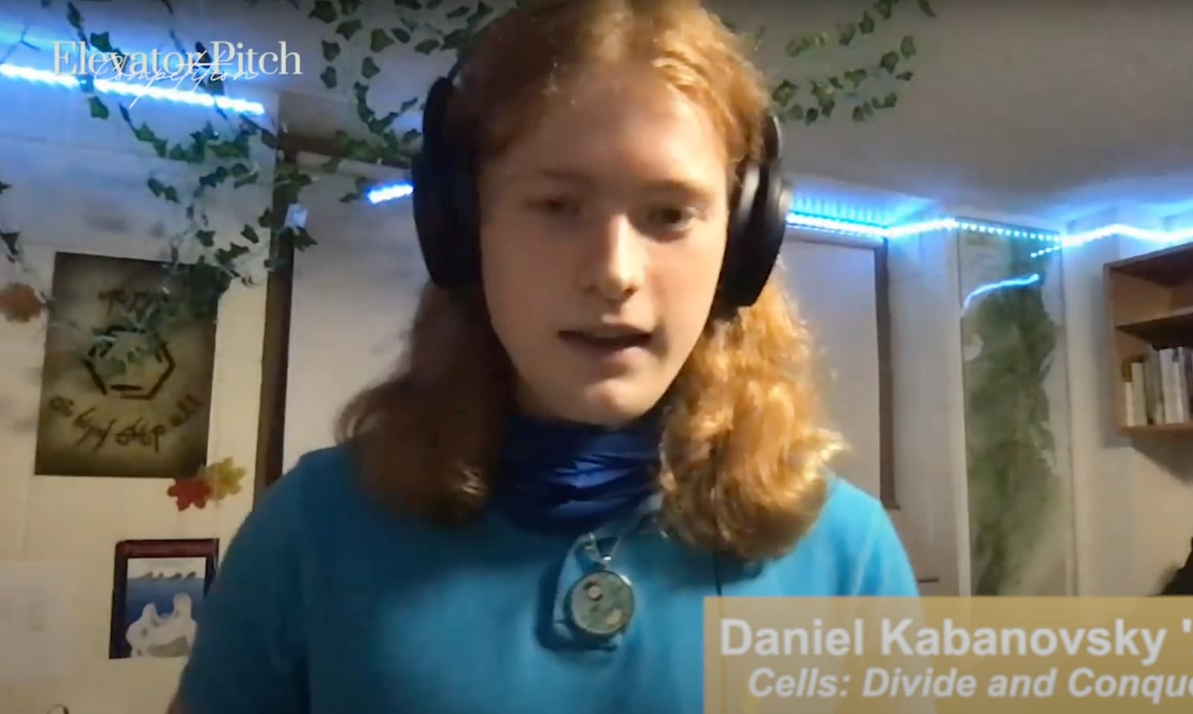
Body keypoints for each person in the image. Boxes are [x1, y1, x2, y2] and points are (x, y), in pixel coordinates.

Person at [171, 0, 918, 711]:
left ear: (741, 243)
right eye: (559, 206)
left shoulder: (846, 555)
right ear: (465, 226)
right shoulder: (311, 533)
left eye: (669, 215)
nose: (615, 271)